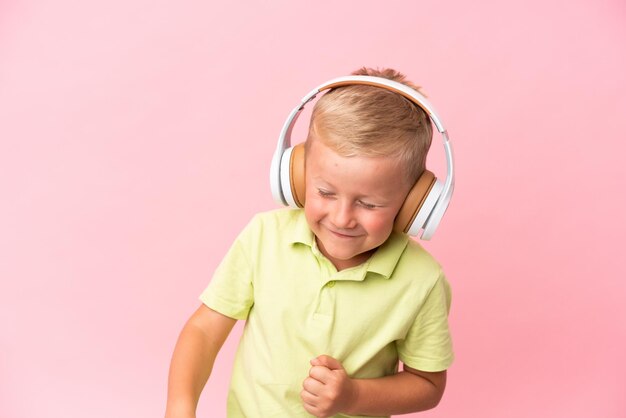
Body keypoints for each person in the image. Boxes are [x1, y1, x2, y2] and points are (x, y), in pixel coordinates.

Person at [165, 67, 454, 418]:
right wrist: (180, 407)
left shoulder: (422, 280)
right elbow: (204, 330)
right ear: (298, 177)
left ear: (413, 204)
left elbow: (428, 385)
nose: (342, 217)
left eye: (368, 204)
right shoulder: (264, 238)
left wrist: (354, 395)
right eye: (325, 192)